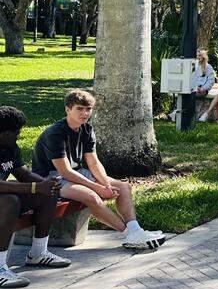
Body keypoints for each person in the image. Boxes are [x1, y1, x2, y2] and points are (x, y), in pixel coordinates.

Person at [31, 91, 165, 250]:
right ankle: (128, 234)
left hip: (78, 172)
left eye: (88, 109)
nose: (85, 113)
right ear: (68, 109)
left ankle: (136, 230)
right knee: (92, 196)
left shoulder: (86, 129)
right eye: (79, 109)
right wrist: (97, 187)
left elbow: (93, 162)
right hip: (52, 178)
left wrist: (106, 184)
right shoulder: (55, 134)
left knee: (124, 187)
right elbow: (65, 171)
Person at [1, 106, 71, 288]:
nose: (18, 136)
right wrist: (35, 187)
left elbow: (23, 174)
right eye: (16, 133)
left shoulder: (9, 147)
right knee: (11, 201)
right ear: (3, 133)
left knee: (47, 194)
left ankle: (38, 253)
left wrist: (47, 185)